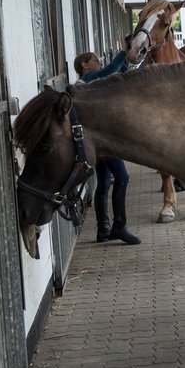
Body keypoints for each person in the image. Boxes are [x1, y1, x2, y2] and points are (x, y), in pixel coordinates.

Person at [74, 51, 141, 245]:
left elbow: (119, 74)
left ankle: (102, 229)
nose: (100, 62)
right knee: (122, 177)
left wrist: (128, 61)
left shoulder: (93, 82)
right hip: (104, 139)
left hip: (96, 140)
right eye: (95, 60)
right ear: (84, 65)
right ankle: (119, 226)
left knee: (103, 183)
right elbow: (111, 70)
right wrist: (124, 53)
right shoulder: (88, 79)